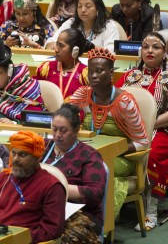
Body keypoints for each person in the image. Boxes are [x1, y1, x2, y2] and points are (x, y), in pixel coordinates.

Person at [116, 32, 168, 231]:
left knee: (154, 152)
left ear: (165, 52)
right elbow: (114, 104)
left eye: (156, 47)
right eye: (146, 46)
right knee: (112, 150)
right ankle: (115, 201)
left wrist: (149, 125)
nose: (149, 50)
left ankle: (151, 211)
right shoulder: (129, 76)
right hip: (130, 130)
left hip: (162, 131)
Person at [69, 47, 149, 218]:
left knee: (96, 169)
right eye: (91, 72)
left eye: (99, 71)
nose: (94, 76)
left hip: (120, 158)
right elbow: (64, 117)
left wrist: (110, 150)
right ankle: (71, 218)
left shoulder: (124, 102)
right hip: (89, 154)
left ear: (111, 72)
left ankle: (99, 222)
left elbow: (142, 142)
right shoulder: (83, 94)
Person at [0, 131, 66, 243]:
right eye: (13, 153)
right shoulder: (1, 179)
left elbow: (52, 231)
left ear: (37, 158)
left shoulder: (51, 187)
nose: (15, 159)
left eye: (22, 155)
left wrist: (15, 238)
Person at [42, 103, 106, 242]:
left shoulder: (89, 155)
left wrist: (55, 188)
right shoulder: (42, 147)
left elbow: (94, 193)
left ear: (76, 130)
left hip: (81, 214)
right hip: (44, 208)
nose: (57, 135)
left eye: (64, 130)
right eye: (54, 129)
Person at [45, 0, 119, 52]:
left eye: (88, 6)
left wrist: (91, 47)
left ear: (98, 9)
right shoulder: (71, 23)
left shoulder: (109, 26)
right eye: (79, 6)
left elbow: (111, 52)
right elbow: (49, 43)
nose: (83, 10)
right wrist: (55, 46)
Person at [34, 28, 92, 101]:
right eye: (57, 44)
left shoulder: (85, 74)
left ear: (75, 50)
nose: (56, 49)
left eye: (61, 45)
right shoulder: (47, 68)